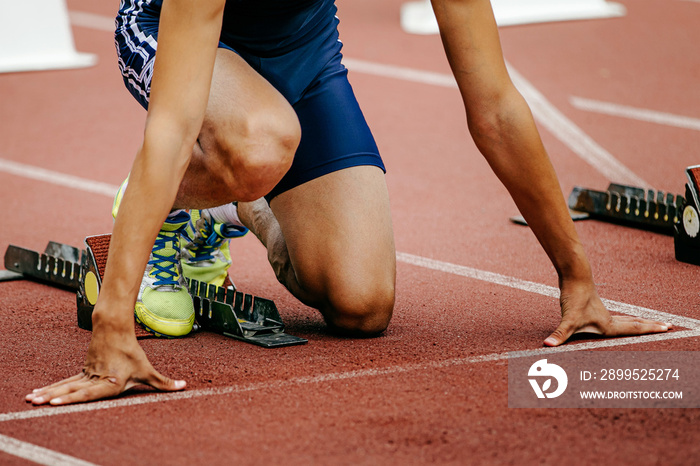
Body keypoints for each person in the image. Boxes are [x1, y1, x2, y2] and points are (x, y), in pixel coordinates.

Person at [26, 0, 670, 406]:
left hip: (304, 56)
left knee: (361, 305)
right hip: (179, 35)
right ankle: (172, 205)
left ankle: (231, 200)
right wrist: (111, 328)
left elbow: (496, 107)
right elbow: (169, 130)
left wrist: (577, 280)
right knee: (256, 145)